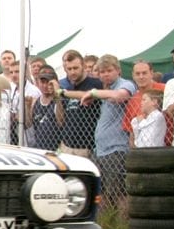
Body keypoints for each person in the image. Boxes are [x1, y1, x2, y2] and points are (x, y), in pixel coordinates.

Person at [81, 54, 136, 206]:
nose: (105, 74)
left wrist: (94, 93)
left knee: (119, 193)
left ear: (118, 70)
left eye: (109, 70)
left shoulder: (125, 84)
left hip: (117, 148)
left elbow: (120, 96)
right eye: (102, 71)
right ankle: (106, 225)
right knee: (102, 193)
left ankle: (121, 226)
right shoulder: (105, 90)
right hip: (100, 150)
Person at [52, 50, 103, 158]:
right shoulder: (67, 88)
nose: (72, 72)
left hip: (87, 146)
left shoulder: (95, 83)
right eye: (69, 69)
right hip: (66, 145)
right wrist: (58, 98)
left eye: (75, 68)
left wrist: (64, 93)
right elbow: (60, 120)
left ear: (83, 66)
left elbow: (88, 95)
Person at [31, 66, 62, 151]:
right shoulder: (36, 102)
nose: (45, 85)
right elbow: (30, 125)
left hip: (55, 149)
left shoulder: (59, 101)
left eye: (49, 82)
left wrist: (57, 94)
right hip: (39, 148)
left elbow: (61, 122)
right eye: (42, 82)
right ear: (38, 83)